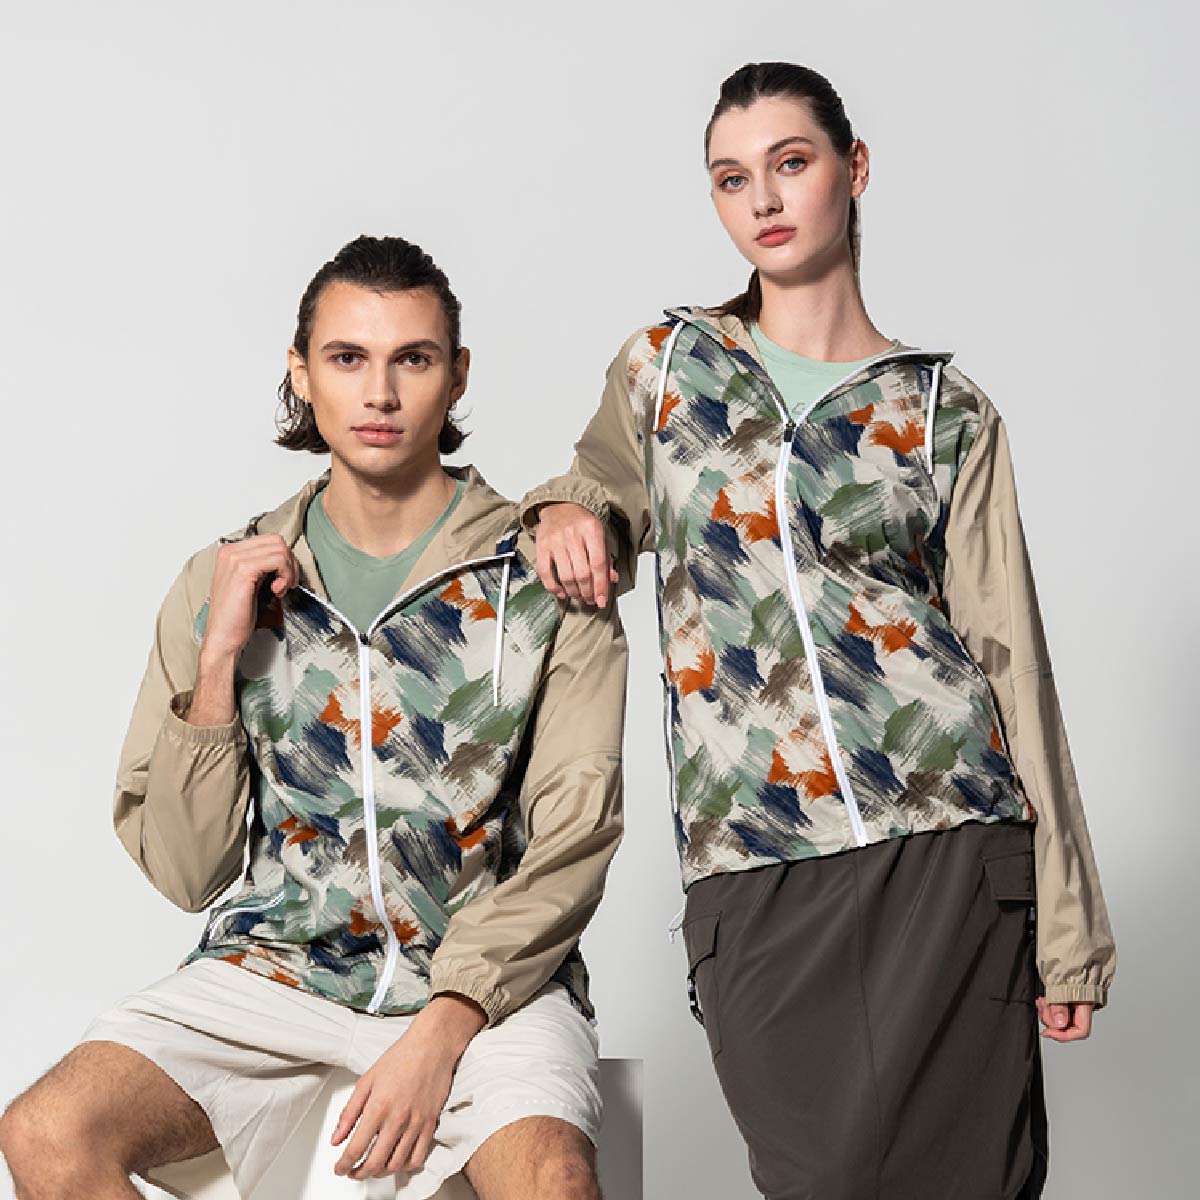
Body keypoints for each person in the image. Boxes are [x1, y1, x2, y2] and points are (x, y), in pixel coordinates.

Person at [519, 62, 1116, 1199]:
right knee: (818, 1177)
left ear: (855, 169)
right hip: (753, 851)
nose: (764, 199)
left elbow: (1012, 664)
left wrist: (1069, 928)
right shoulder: (666, 367)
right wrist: (561, 509)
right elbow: (596, 489)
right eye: (730, 178)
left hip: (945, 839)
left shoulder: (943, 411)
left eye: (790, 163)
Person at [0, 235, 627, 1200]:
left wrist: (445, 1025)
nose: (379, 393)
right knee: (45, 1133)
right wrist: (218, 660)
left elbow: (575, 836)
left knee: (556, 1182)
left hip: (490, 988)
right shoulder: (224, 577)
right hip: (277, 968)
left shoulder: (543, 576)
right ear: (301, 372)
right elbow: (186, 871)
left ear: (457, 375)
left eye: (412, 359)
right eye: (346, 358)